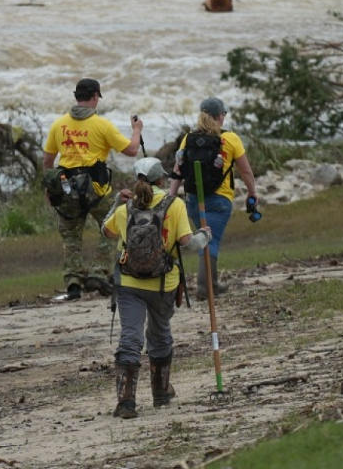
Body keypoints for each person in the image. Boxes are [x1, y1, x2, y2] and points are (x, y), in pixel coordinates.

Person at [100, 157, 208, 418]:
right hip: (163, 283)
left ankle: (126, 402)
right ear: (161, 179)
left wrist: (116, 202)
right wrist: (205, 235)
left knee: (130, 337)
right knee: (159, 334)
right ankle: (160, 393)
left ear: (137, 179)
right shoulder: (175, 204)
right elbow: (188, 243)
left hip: (129, 283)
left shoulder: (126, 208)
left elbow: (106, 231)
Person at [43, 77, 144, 299]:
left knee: (71, 237)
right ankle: (99, 271)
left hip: (67, 189)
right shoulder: (102, 125)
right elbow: (131, 150)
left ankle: (73, 283)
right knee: (113, 226)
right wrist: (136, 129)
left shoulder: (58, 125)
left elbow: (48, 161)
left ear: (76, 97)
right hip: (97, 190)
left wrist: (49, 189)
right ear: (95, 96)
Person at [174, 97, 259, 300]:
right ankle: (205, 288)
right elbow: (246, 171)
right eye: (224, 114)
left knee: (205, 237)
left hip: (194, 199)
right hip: (219, 200)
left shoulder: (189, 138)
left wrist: (171, 196)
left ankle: (211, 284)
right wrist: (252, 192)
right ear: (220, 116)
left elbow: (178, 170)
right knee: (210, 241)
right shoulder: (230, 139)